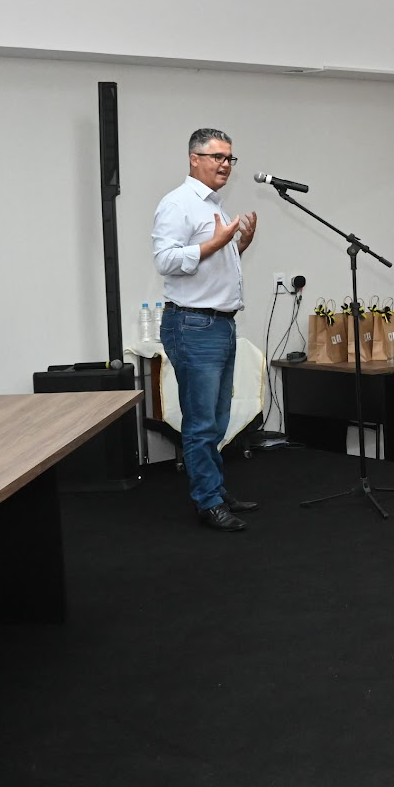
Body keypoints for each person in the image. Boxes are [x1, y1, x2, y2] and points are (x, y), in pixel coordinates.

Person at [151, 128, 259, 532]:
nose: (225, 164)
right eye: (218, 157)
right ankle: (208, 502)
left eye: (230, 158)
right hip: (193, 325)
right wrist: (216, 243)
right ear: (194, 158)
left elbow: (210, 265)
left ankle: (215, 488)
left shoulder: (214, 205)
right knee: (200, 423)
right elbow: (165, 260)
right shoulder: (177, 204)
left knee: (217, 419)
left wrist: (239, 245)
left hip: (220, 324)